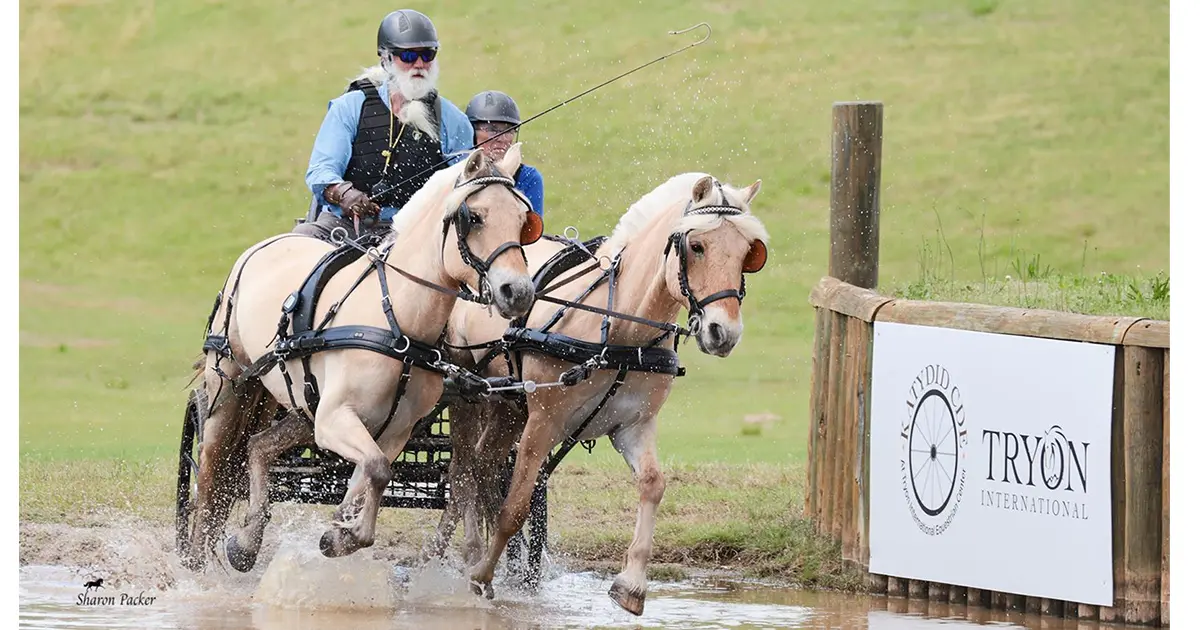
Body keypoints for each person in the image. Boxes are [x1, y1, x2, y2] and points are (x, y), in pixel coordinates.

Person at [296, 9, 474, 241]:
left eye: (427, 54)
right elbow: (320, 171)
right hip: (344, 225)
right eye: (408, 56)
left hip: (417, 233)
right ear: (386, 59)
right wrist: (344, 194)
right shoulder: (350, 106)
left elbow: (467, 181)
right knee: (299, 239)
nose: (419, 64)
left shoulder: (452, 119)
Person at [465, 90, 544, 217]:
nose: (502, 138)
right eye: (492, 129)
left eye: (509, 130)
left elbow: (531, 233)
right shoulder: (456, 174)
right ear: (472, 132)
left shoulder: (528, 178)